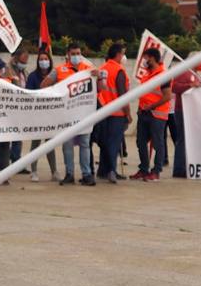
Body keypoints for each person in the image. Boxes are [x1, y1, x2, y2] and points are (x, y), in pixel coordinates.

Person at [93, 43, 132, 184]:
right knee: (114, 143)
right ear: (117, 54)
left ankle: (103, 171)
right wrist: (128, 113)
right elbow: (123, 95)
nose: (123, 56)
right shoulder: (119, 70)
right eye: (122, 53)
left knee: (105, 142)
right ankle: (111, 171)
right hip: (117, 113)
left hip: (103, 110)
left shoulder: (102, 69)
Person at [132, 45, 173, 181]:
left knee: (158, 143)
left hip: (157, 114)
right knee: (140, 142)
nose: (144, 61)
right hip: (143, 113)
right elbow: (144, 94)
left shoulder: (164, 75)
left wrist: (151, 106)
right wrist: (141, 108)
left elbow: (167, 96)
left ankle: (156, 171)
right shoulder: (147, 75)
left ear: (153, 58)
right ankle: (144, 169)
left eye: (146, 58)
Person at [56, 45, 96, 185]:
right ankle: (69, 174)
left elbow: (101, 87)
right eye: (73, 53)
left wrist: (99, 76)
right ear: (68, 54)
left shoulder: (88, 69)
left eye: (78, 53)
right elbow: (46, 85)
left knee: (85, 144)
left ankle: (87, 174)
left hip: (84, 114)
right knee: (67, 145)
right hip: (67, 115)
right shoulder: (59, 70)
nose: (76, 56)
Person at [25, 51, 61, 182]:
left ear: (50, 60)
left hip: (51, 114)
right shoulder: (33, 76)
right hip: (37, 114)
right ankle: (33, 171)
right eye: (41, 59)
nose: (44, 61)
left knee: (50, 144)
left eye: (46, 59)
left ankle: (54, 171)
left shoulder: (55, 75)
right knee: (35, 144)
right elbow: (29, 93)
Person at [168, 58, 201, 179]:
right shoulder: (183, 72)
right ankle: (179, 169)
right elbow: (174, 87)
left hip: (193, 111)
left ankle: (187, 166)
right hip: (182, 110)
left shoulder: (196, 74)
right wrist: (190, 85)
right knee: (182, 139)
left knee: (189, 140)